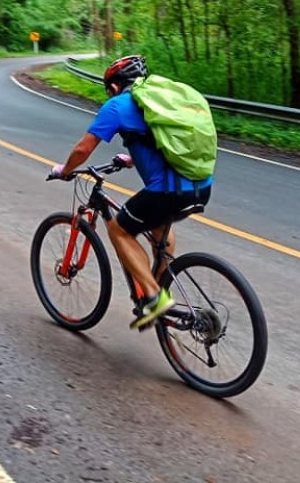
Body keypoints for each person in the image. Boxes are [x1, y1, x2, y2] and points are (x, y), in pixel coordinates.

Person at [49, 55, 214, 329]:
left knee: (119, 230)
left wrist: (65, 170)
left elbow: (83, 149)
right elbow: (165, 143)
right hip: (200, 187)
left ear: (114, 87)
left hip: (167, 192)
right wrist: (132, 159)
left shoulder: (117, 105)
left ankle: (154, 297)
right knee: (160, 228)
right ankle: (161, 289)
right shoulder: (158, 102)